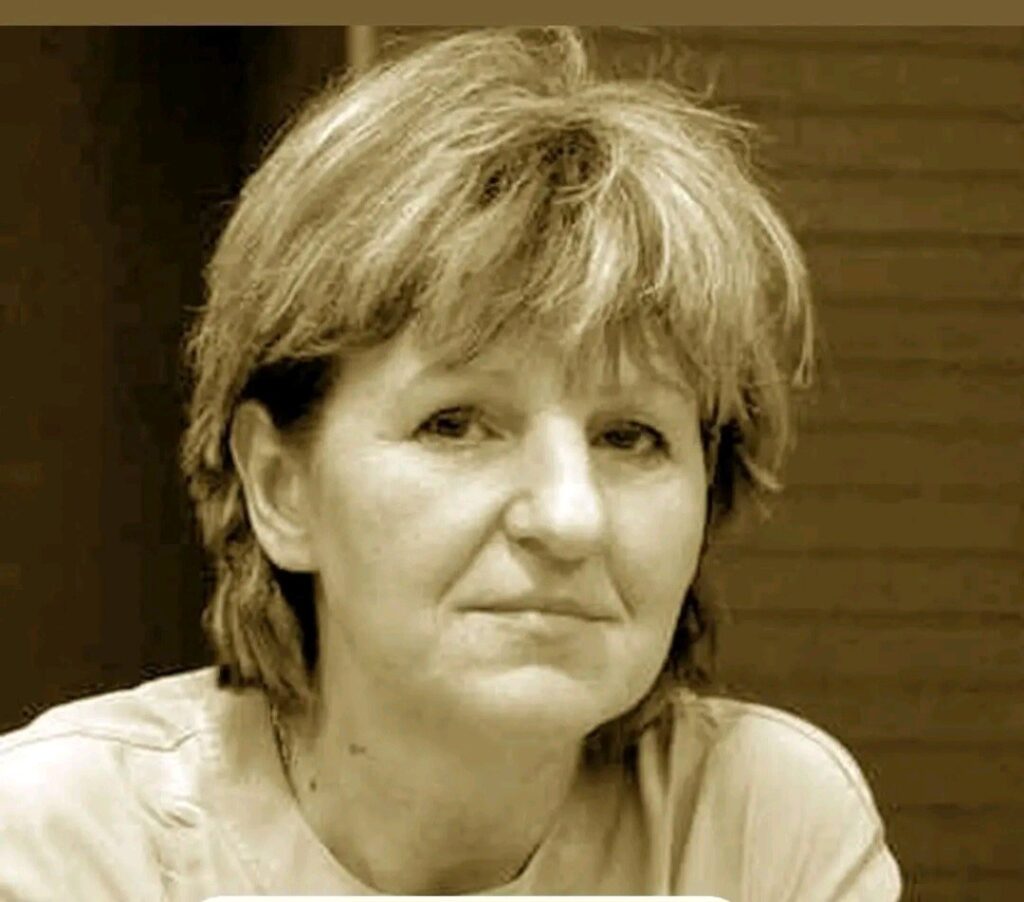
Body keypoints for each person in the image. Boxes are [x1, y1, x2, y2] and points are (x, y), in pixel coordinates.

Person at [0, 27, 901, 900]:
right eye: (457, 424)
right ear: (281, 489)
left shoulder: (762, 827)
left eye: (630, 436)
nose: (569, 518)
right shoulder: (65, 842)